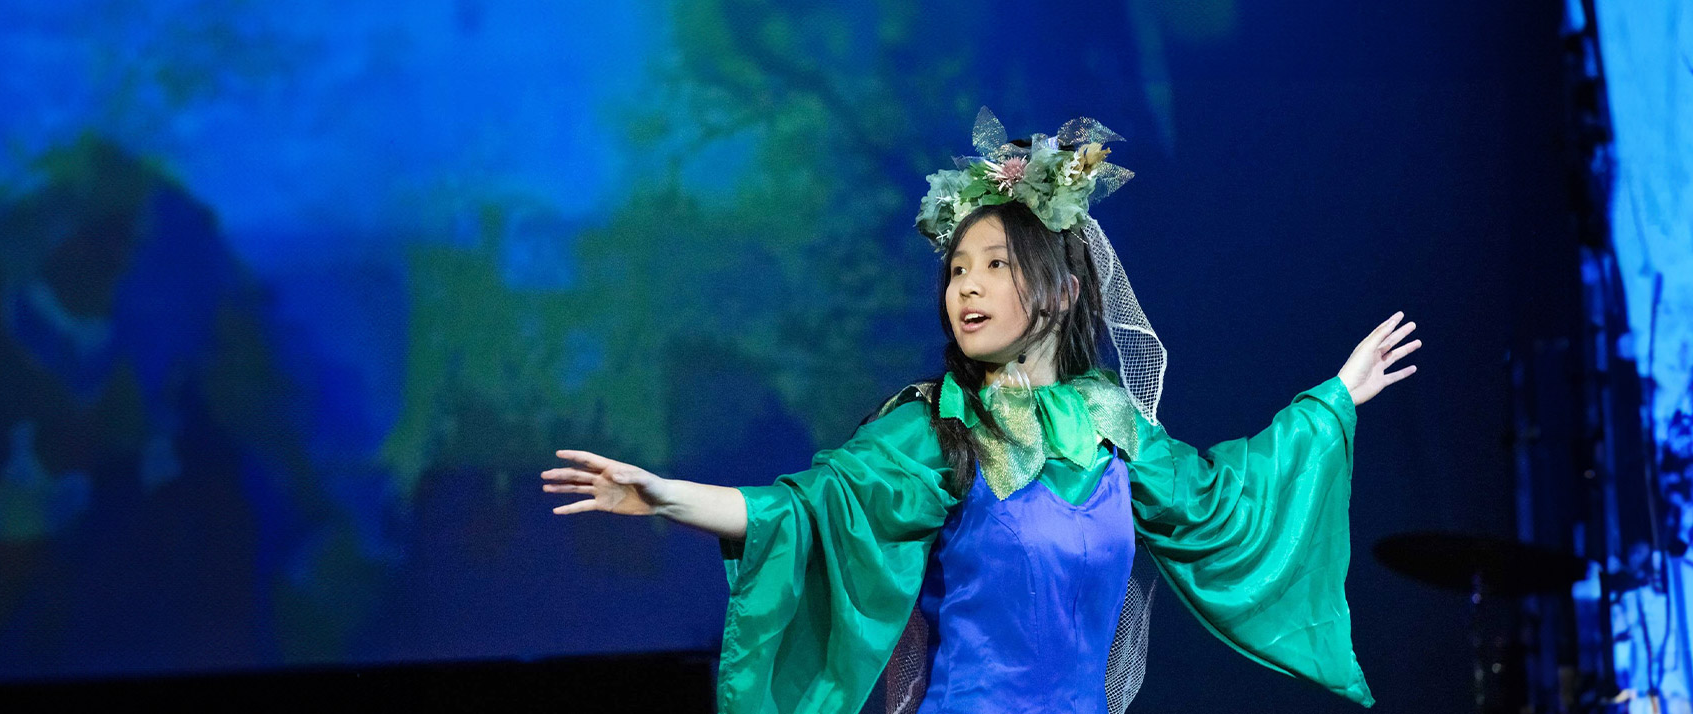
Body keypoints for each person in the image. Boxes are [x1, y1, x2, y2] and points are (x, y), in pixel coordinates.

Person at [542, 108, 1419, 713]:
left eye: (995, 265)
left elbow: (1226, 502)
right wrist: (665, 497)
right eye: (957, 269)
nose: (967, 287)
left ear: (1063, 288)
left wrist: (1332, 400)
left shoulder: (1113, 425)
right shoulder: (935, 425)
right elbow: (807, 510)